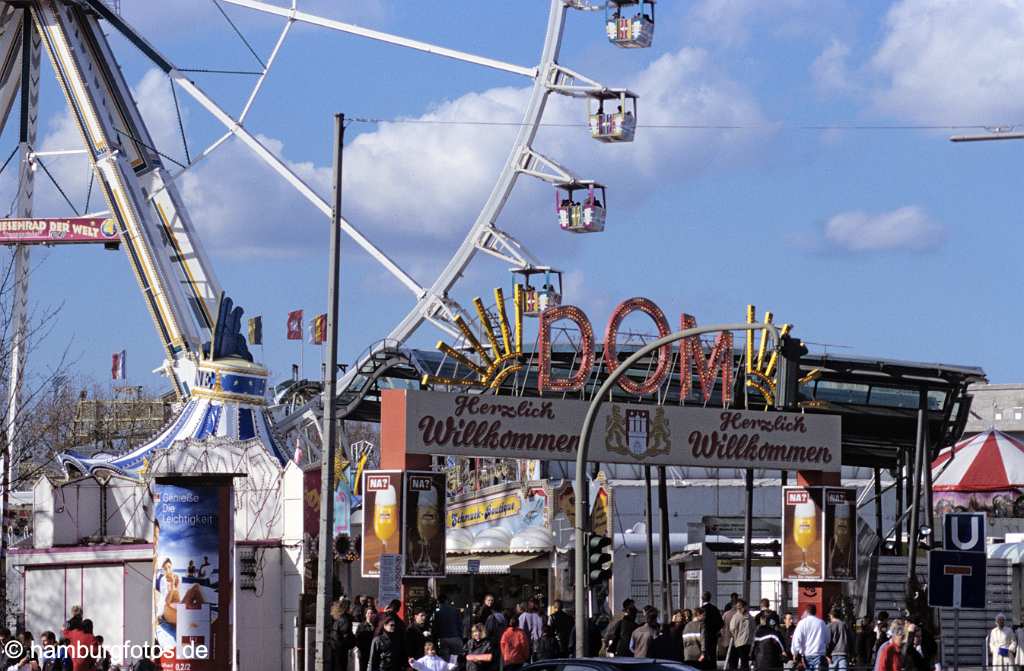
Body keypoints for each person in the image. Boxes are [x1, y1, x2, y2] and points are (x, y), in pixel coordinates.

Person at [791, 605, 829, 671]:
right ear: (815, 612)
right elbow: (827, 639)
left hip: (806, 655)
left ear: (806, 611)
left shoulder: (802, 623)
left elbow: (796, 640)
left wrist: (795, 653)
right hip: (819, 654)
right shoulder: (821, 623)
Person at [435, 594, 464, 660]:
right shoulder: (456, 611)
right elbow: (460, 625)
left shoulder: (438, 613)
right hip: (455, 637)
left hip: (443, 639)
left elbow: (436, 628)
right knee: (455, 661)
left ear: (439, 602)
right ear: (447, 601)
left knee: (445, 661)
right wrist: (461, 637)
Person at [727, 600, 754, 671]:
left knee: (738, 659)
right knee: (745, 660)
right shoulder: (750, 617)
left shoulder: (736, 617)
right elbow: (753, 628)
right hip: (748, 641)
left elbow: (732, 628)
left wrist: (735, 635)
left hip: (739, 641)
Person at [331, 599, 357, 671]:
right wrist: (353, 641)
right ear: (347, 607)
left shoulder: (338, 617)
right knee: (342, 666)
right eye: (351, 606)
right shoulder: (345, 619)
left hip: (336, 647)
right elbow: (346, 634)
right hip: (341, 648)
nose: (352, 608)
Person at [701, 593, 723, 668]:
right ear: (710, 598)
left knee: (704, 651)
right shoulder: (715, 609)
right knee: (713, 652)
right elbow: (721, 622)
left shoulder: (701, 609)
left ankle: (706, 666)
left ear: (702, 598)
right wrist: (716, 630)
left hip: (704, 634)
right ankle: (713, 666)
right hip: (713, 635)